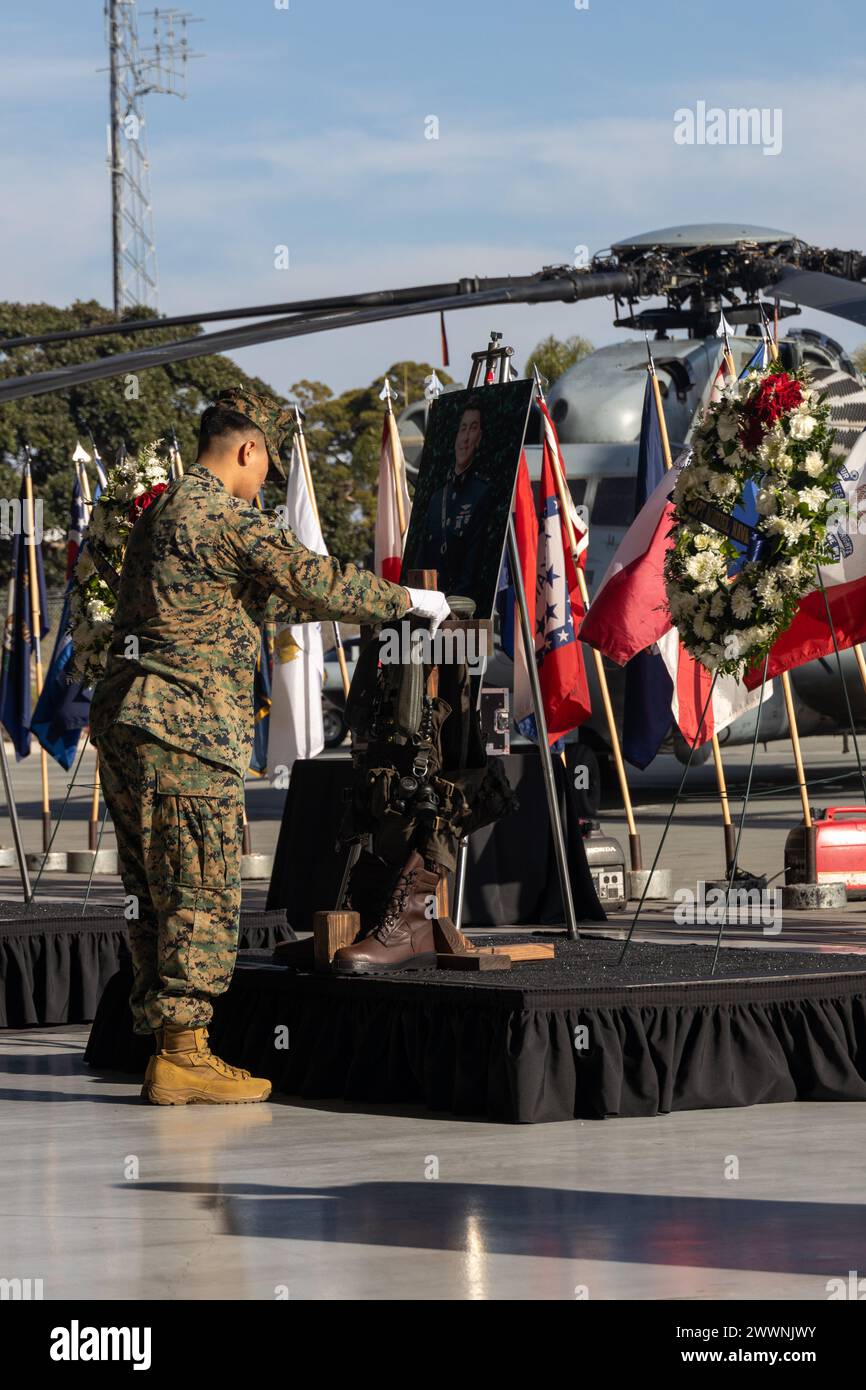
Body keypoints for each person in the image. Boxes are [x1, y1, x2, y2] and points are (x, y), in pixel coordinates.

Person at [89, 387, 449, 1105]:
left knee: (154, 892)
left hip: (132, 725)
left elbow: (255, 597)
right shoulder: (222, 515)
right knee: (199, 886)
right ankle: (185, 1055)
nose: (263, 489)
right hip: (185, 732)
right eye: (264, 472)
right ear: (248, 449)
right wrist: (408, 600)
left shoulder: (162, 514)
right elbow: (312, 577)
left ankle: (166, 1044)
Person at [416, 401, 491, 600]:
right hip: (427, 605)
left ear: (479, 438)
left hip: (458, 611)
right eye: (462, 429)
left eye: (473, 429)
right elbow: (421, 557)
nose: (465, 438)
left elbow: (473, 564)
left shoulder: (482, 493)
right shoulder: (437, 498)